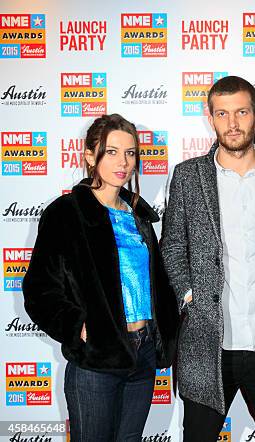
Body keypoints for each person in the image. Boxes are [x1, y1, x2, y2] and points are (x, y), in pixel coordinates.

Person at [161, 76, 255, 441]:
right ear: (210, 118)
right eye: (222, 114)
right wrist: (189, 296)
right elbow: (174, 246)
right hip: (208, 343)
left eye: (241, 112)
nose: (233, 123)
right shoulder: (188, 175)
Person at [22, 113, 179, 440]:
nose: (123, 162)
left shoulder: (139, 216)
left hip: (143, 353)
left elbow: (154, 284)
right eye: (111, 152)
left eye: (130, 153)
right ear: (90, 156)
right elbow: (39, 289)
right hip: (96, 359)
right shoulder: (66, 213)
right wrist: (75, 326)